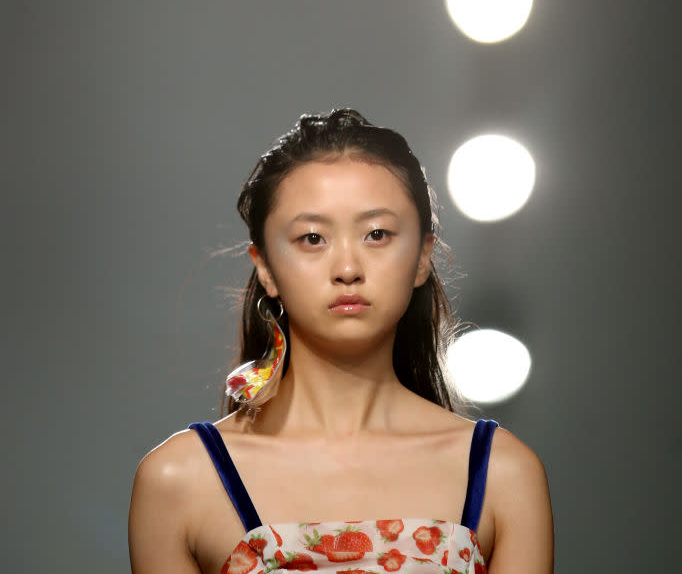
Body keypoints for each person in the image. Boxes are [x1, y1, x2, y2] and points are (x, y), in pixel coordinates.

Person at [129, 109, 554, 574]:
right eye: (312, 238)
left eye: (377, 234)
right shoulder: (181, 480)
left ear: (423, 257)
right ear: (265, 266)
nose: (347, 268)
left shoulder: (500, 474)